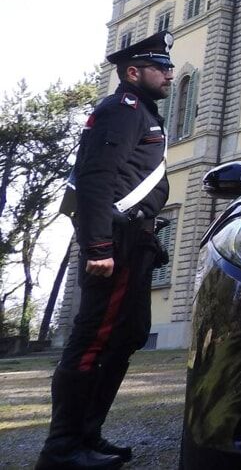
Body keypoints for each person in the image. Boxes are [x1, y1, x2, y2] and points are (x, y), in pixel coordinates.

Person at [37, 32, 174, 470]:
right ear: (133, 72)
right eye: (161, 67)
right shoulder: (120, 110)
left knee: (127, 334)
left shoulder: (142, 114)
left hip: (135, 240)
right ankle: (62, 448)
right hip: (116, 239)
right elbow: (96, 177)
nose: (170, 74)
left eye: (169, 67)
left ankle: (87, 435)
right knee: (94, 339)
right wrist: (98, 245)